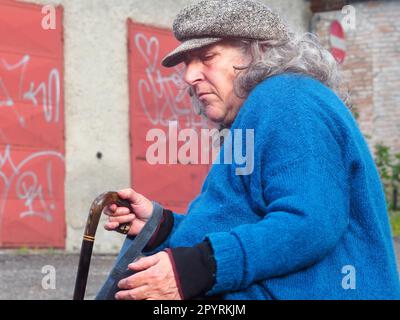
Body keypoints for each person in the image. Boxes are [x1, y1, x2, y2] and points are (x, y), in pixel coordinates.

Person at [102, 0, 400, 300]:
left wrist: (199, 267)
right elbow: (248, 221)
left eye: (206, 57)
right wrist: (164, 228)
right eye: (187, 63)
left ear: (258, 53)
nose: (188, 76)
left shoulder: (288, 98)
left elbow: (310, 222)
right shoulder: (262, 111)